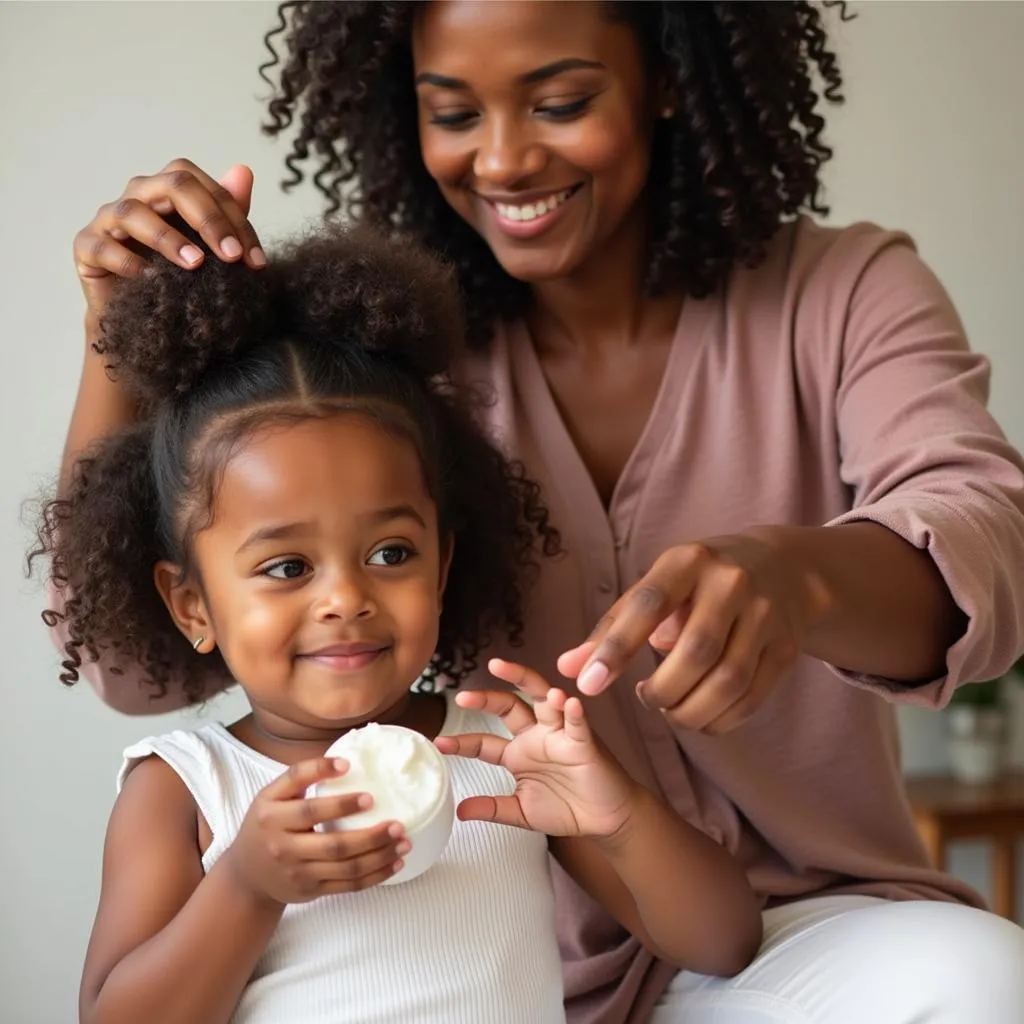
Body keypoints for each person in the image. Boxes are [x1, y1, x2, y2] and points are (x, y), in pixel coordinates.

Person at [53, 2, 1024, 1022]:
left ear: (663, 74)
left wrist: (802, 577)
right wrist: (118, 339)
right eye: (453, 113)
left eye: (559, 101)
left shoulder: (841, 294)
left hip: (810, 950)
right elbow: (134, 658)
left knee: (979, 980)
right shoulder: (391, 366)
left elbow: (985, 531)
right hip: (535, 979)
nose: (506, 159)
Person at [37, 225, 762, 1024]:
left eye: (390, 552)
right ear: (192, 605)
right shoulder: (185, 787)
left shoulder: (498, 756)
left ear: (443, 567)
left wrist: (617, 814)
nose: (346, 597)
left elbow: (724, 943)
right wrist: (247, 884)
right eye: (288, 567)